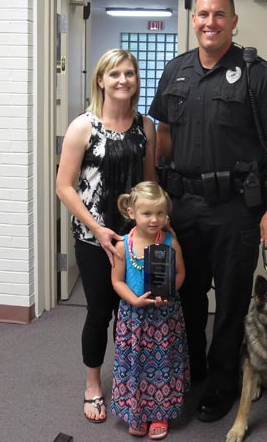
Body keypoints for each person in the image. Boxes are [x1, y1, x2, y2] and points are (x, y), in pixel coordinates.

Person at [149, 0, 267, 423]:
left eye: (219, 14)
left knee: (232, 301)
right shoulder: (175, 71)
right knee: (186, 295)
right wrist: (155, 202)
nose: (209, 22)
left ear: (234, 22)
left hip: (237, 210)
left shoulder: (257, 74)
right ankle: (193, 371)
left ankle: (222, 382)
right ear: (193, 20)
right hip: (183, 207)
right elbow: (163, 136)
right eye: (202, 14)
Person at [56, 49, 156, 423]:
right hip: (93, 237)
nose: (122, 80)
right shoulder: (83, 126)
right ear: (101, 80)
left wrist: (156, 227)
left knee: (134, 311)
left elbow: (149, 183)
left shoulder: (145, 126)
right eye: (114, 74)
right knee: (100, 312)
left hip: (135, 240)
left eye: (129, 73)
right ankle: (94, 386)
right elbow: (64, 187)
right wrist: (97, 229)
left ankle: (132, 381)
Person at [109, 181, 189, 440]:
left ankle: (160, 412)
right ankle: (137, 412)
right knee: (135, 367)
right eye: (147, 213)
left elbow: (180, 273)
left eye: (160, 213)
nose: (154, 219)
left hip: (163, 318)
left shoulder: (169, 242)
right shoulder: (123, 245)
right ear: (131, 213)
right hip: (134, 319)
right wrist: (132, 300)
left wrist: (170, 293)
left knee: (161, 364)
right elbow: (117, 280)